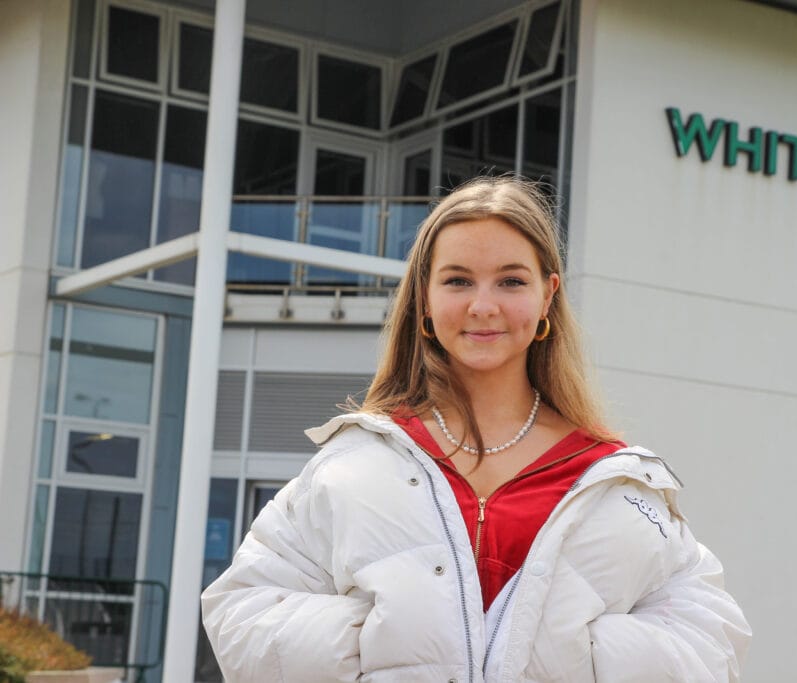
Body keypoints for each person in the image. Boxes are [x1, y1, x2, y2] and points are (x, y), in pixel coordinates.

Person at [201, 176, 751, 682]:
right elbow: (243, 609)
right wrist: (379, 646)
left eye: (511, 281)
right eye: (458, 280)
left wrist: (578, 654)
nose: (483, 306)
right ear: (425, 300)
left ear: (547, 298)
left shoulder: (615, 481)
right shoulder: (355, 464)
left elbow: (709, 639)